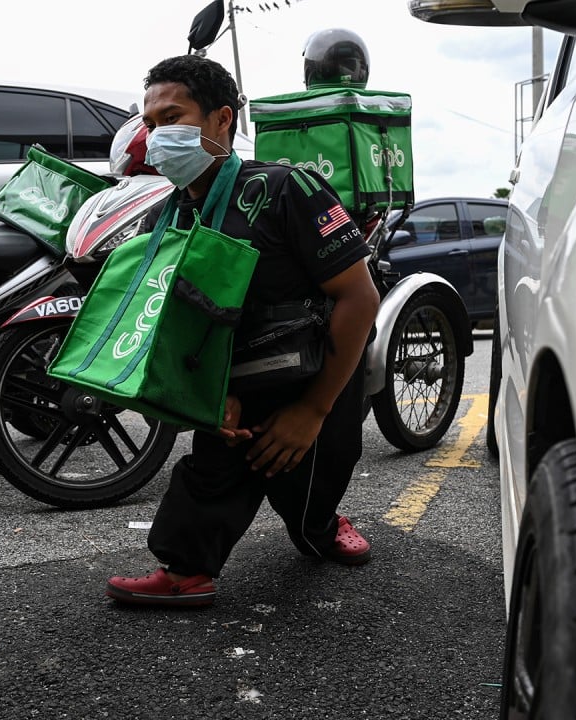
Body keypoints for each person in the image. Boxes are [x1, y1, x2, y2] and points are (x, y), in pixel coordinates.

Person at [105, 54, 380, 607]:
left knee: (308, 496)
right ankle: (187, 571)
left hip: (319, 371)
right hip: (240, 378)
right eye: (150, 124)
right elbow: (186, 320)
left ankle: (323, 524)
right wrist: (215, 397)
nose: (157, 136)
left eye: (173, 118)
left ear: (221, 120)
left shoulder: (287, 190)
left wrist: (313, 411)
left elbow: (359, 297)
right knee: (213, 468)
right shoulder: (172, 216)